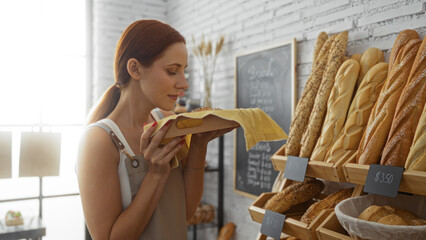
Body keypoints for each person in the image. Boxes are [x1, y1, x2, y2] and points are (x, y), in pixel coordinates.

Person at [76, 20, 233, 239]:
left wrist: (199, 145)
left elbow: (184, 214)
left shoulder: (168, 122)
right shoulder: (99, 140)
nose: (183, 83)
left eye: (183, 71)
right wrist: (156, 174)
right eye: (172, 71)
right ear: (135, 69)